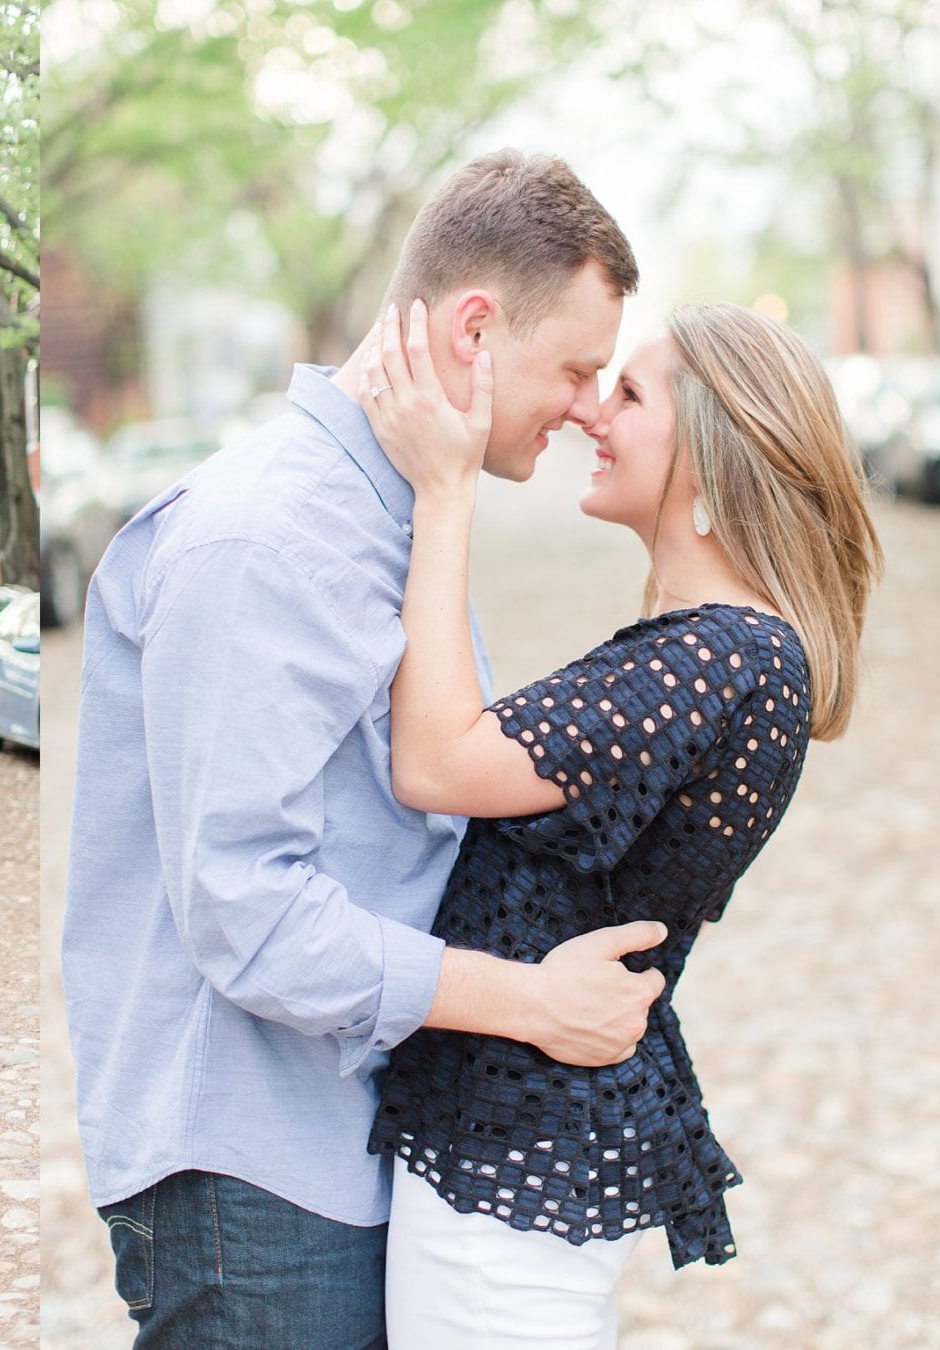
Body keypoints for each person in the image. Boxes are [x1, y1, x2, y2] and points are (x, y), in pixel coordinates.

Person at [61, 150, 666, 1347]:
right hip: (254, 1176)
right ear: (475, 332)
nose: (590, 406)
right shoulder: (270, 541)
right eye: (579, 369)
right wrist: (532, 1005)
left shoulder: (394, 516)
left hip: (335, 1144)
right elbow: (246, 909)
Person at [356, 299, 879, 1345]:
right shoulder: (718, 652)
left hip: (513, 1178)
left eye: (631, 393)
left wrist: (445, 490)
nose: (595, 411)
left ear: (717, 458)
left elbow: (434, 759)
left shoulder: (717, 659)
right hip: (521, 1150)